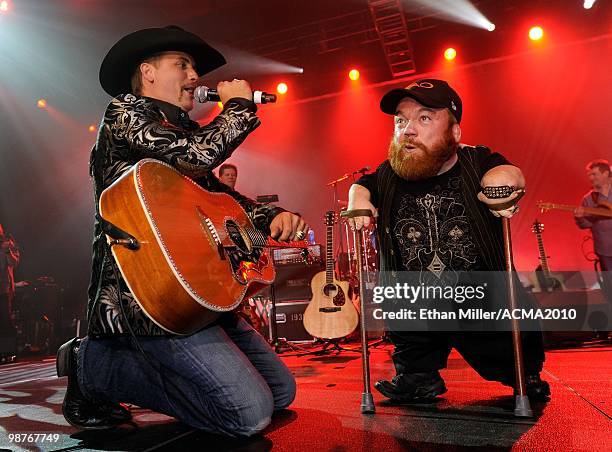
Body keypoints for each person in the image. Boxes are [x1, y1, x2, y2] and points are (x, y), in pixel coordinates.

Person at [56, 25, 307, 435]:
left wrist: (270, 216)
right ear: (148, 72)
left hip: (196, 293)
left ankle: (127, 368)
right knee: (249, 415)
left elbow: (220, 198)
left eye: (194, 68)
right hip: (148, 297)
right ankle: (93, 366)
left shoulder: (187, 131)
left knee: (282, 392)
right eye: (183, 65)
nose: (195, 76)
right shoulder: (125, 113)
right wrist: (239, 107)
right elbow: (195, 157)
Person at [347, 79, 549, 403]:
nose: (407, 131)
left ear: (455, 132)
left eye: (424, 118)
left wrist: (503, 182)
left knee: (509, 347)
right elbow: (362, 186)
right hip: (416, 303)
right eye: (401, 120)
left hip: (478, 299)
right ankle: (417, 376)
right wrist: (357, 196)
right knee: (404, 315)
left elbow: (509, 173)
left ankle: (524, 373)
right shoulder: (387, 175)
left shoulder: (476, 160)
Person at [574, 160, 612, 271]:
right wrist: (579, 218)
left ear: (605, 173)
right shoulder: (588, 199)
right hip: (605, 249)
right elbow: (585, 225)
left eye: (594, 174)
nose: (591, 178)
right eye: (589, 175)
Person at [0, 223, 20, 343]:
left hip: (3, 289)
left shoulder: (9, 244)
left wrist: (7, 251)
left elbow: (14, 263)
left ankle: (8, 349)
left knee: (5, 320)